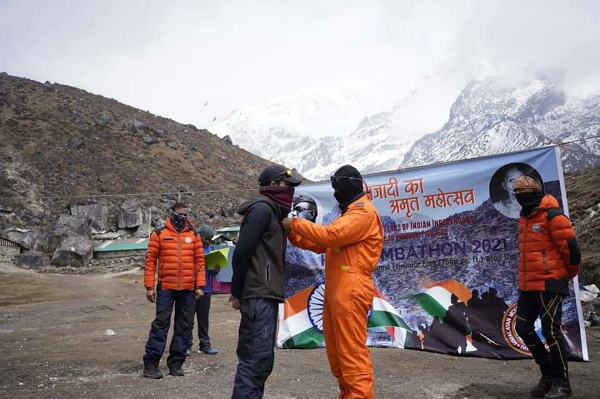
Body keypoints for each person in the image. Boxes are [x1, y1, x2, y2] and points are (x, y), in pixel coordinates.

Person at [283, 165, 384, 399]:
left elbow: (331, 235)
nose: (336, 192)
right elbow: (322, 244)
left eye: (338, 186)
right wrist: (293, 235)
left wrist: (295, 224)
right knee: (338, 354)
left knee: (351, 353)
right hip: (337, 289)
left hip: (351, 287)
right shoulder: (348, 214)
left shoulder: (363, 213)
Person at [230, 164, 301, 398]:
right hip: (258, 294)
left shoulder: (276, 213)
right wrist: (237, 291)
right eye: (286, 185)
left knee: (262, 362)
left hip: (266, 294)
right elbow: (242, 252)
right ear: (273, 186)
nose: (290, 191)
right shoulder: (262, 210)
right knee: (254, 360)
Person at [512, 176, 581, 398]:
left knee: (551, 331)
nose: (519, 196)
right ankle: (548, 375)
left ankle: (563, 383)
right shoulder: (523, 218)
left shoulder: (554, 216)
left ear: (534, 192)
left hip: (549, 284)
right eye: (516, 193)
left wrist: (561, 276)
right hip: (527, 285)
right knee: (523, 328)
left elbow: (572, 251)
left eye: (522, 192)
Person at [142, 203, 206, 379]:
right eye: (179, 214)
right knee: (161, 325)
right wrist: (149, 286)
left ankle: (176, 363)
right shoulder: (159, 234)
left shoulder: (194, 235)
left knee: (184, 326)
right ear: (172, 214)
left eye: (185, 214)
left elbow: (200, 262)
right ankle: (151, 365)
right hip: (166, 288)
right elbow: (150, 261)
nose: (182, 217)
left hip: (188, 289)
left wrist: (200, 286)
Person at [187, 224, 220, 356]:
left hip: (206, 290)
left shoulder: (210, 249)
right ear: (200, 236)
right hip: (191, 289)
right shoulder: (192, 249)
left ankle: (205, 345)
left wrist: (215, 270)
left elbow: (211, 274)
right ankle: (186, 345)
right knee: (188, 319)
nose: (209, 241)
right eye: (207, 238)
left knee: (203, 319)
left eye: (211, 238)